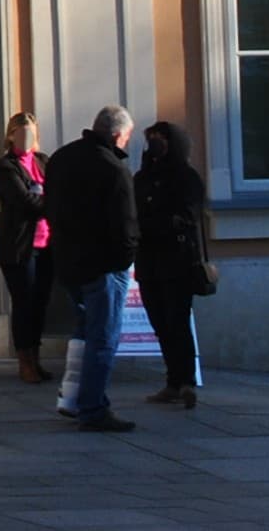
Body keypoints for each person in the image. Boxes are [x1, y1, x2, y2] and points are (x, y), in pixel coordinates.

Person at [41, 103, 140, 432]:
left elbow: (49, 207)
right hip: (104, 265)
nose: (127, 142)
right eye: (126, 137)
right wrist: (123, 261)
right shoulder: (114, 169)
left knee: (84, 330)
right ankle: (92, 407)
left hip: (68, 260)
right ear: (115, 135)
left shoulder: (61, 158)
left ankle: (71, 397)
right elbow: (127, 225)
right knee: (104, 336)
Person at [134, 119, 209, 409]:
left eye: (160, 140)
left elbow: (189, 216)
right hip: (149, 260)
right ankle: (172, 380)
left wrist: (157, 224)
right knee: (160, 323)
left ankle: (185, 380)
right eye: (150, 139)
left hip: (177, 261)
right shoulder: (142, 178)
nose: (154, 145)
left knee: (177, 320)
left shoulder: (186, 177)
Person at [0, 111, 53, 383]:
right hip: (19, 247)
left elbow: (60, 189)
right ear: (11, 135)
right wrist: (55, 205)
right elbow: (24, 201)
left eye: (30, 132)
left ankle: (37, 358)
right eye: (21, 132)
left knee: (40, 304)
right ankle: (24, 361)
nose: (26, 138)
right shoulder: (6, 167)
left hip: (47, 244)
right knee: (24, 303)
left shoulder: (43, 162)